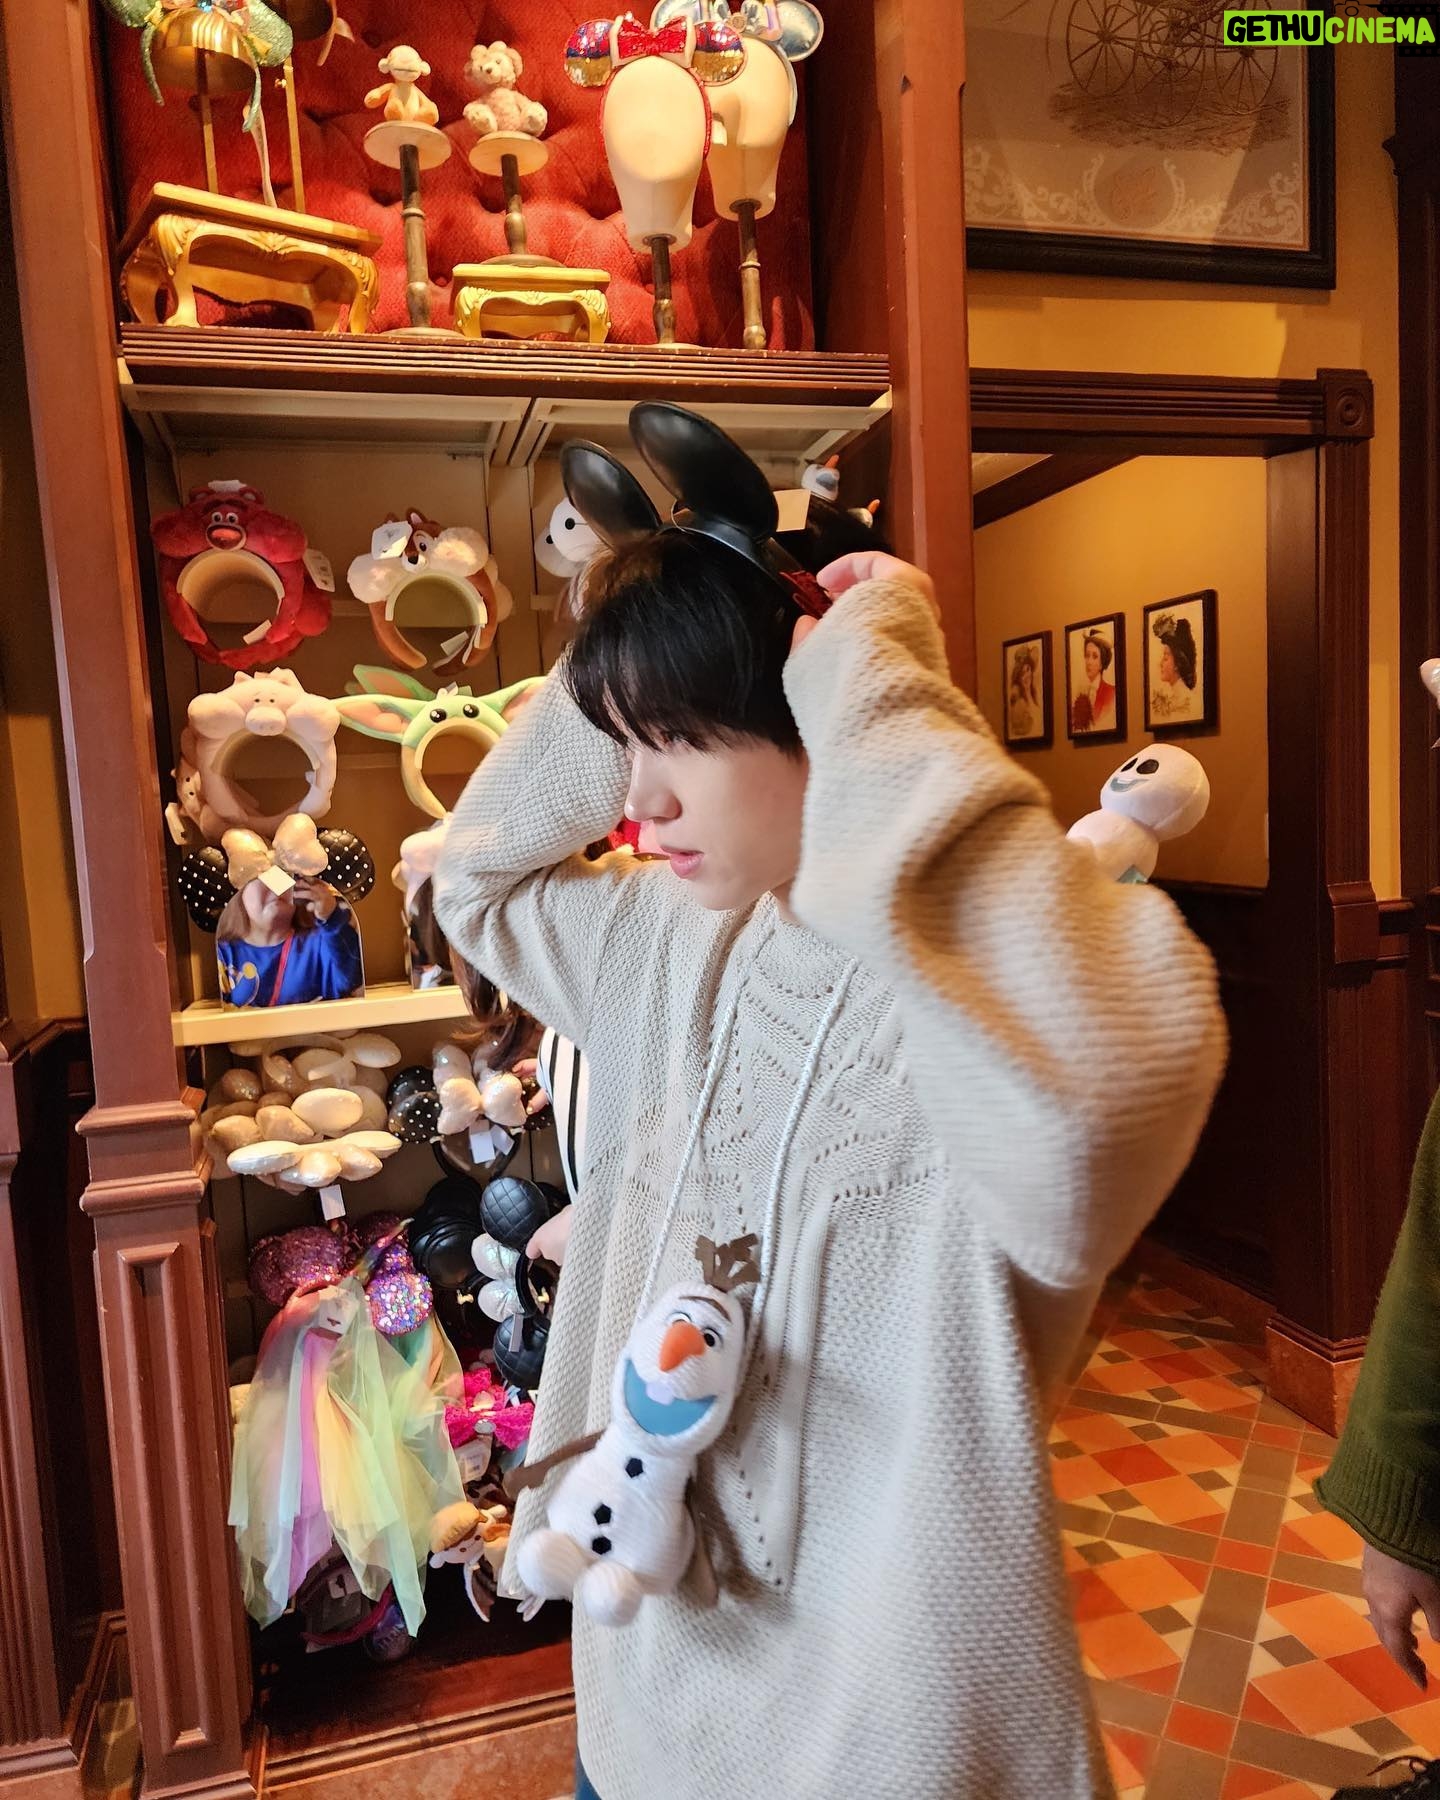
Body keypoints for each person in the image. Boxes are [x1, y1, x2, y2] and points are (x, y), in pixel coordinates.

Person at [435, 518, 1225, 1799]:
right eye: (624, 746)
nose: (637, 801)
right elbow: (476, 880)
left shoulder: (978, 1000)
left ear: (823, 711)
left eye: (680, 738)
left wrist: (875, 678)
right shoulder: (667, 943)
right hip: (638, 1709)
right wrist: (641, 628)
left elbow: (1100, 1120)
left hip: (888, 1743)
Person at [215, 875, 363, 1007]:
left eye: (283, 876)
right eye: (261, 877)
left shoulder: (321, 942)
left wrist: (331, 917)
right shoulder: (223, 953)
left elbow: (352, 979)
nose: (274, 885)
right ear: (238, 894)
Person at [1151, 613, 1198, 721]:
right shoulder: (1173, 699)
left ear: (1178, 663)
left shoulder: (1187, 701)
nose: (1160, 663)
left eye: (1165, 658)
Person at [1072, 628, 1117, 733]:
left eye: (1095, 657)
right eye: (1087, 656)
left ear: (1102, 662)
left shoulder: (1111, 693)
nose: (1089, 662)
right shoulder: (1079, 693)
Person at [1009, 644, 1041, 738]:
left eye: (1028, 670)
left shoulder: (1035, 694)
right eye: (1022, 673)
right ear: (1019, 677)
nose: (1027, 675)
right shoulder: (1019, 701)